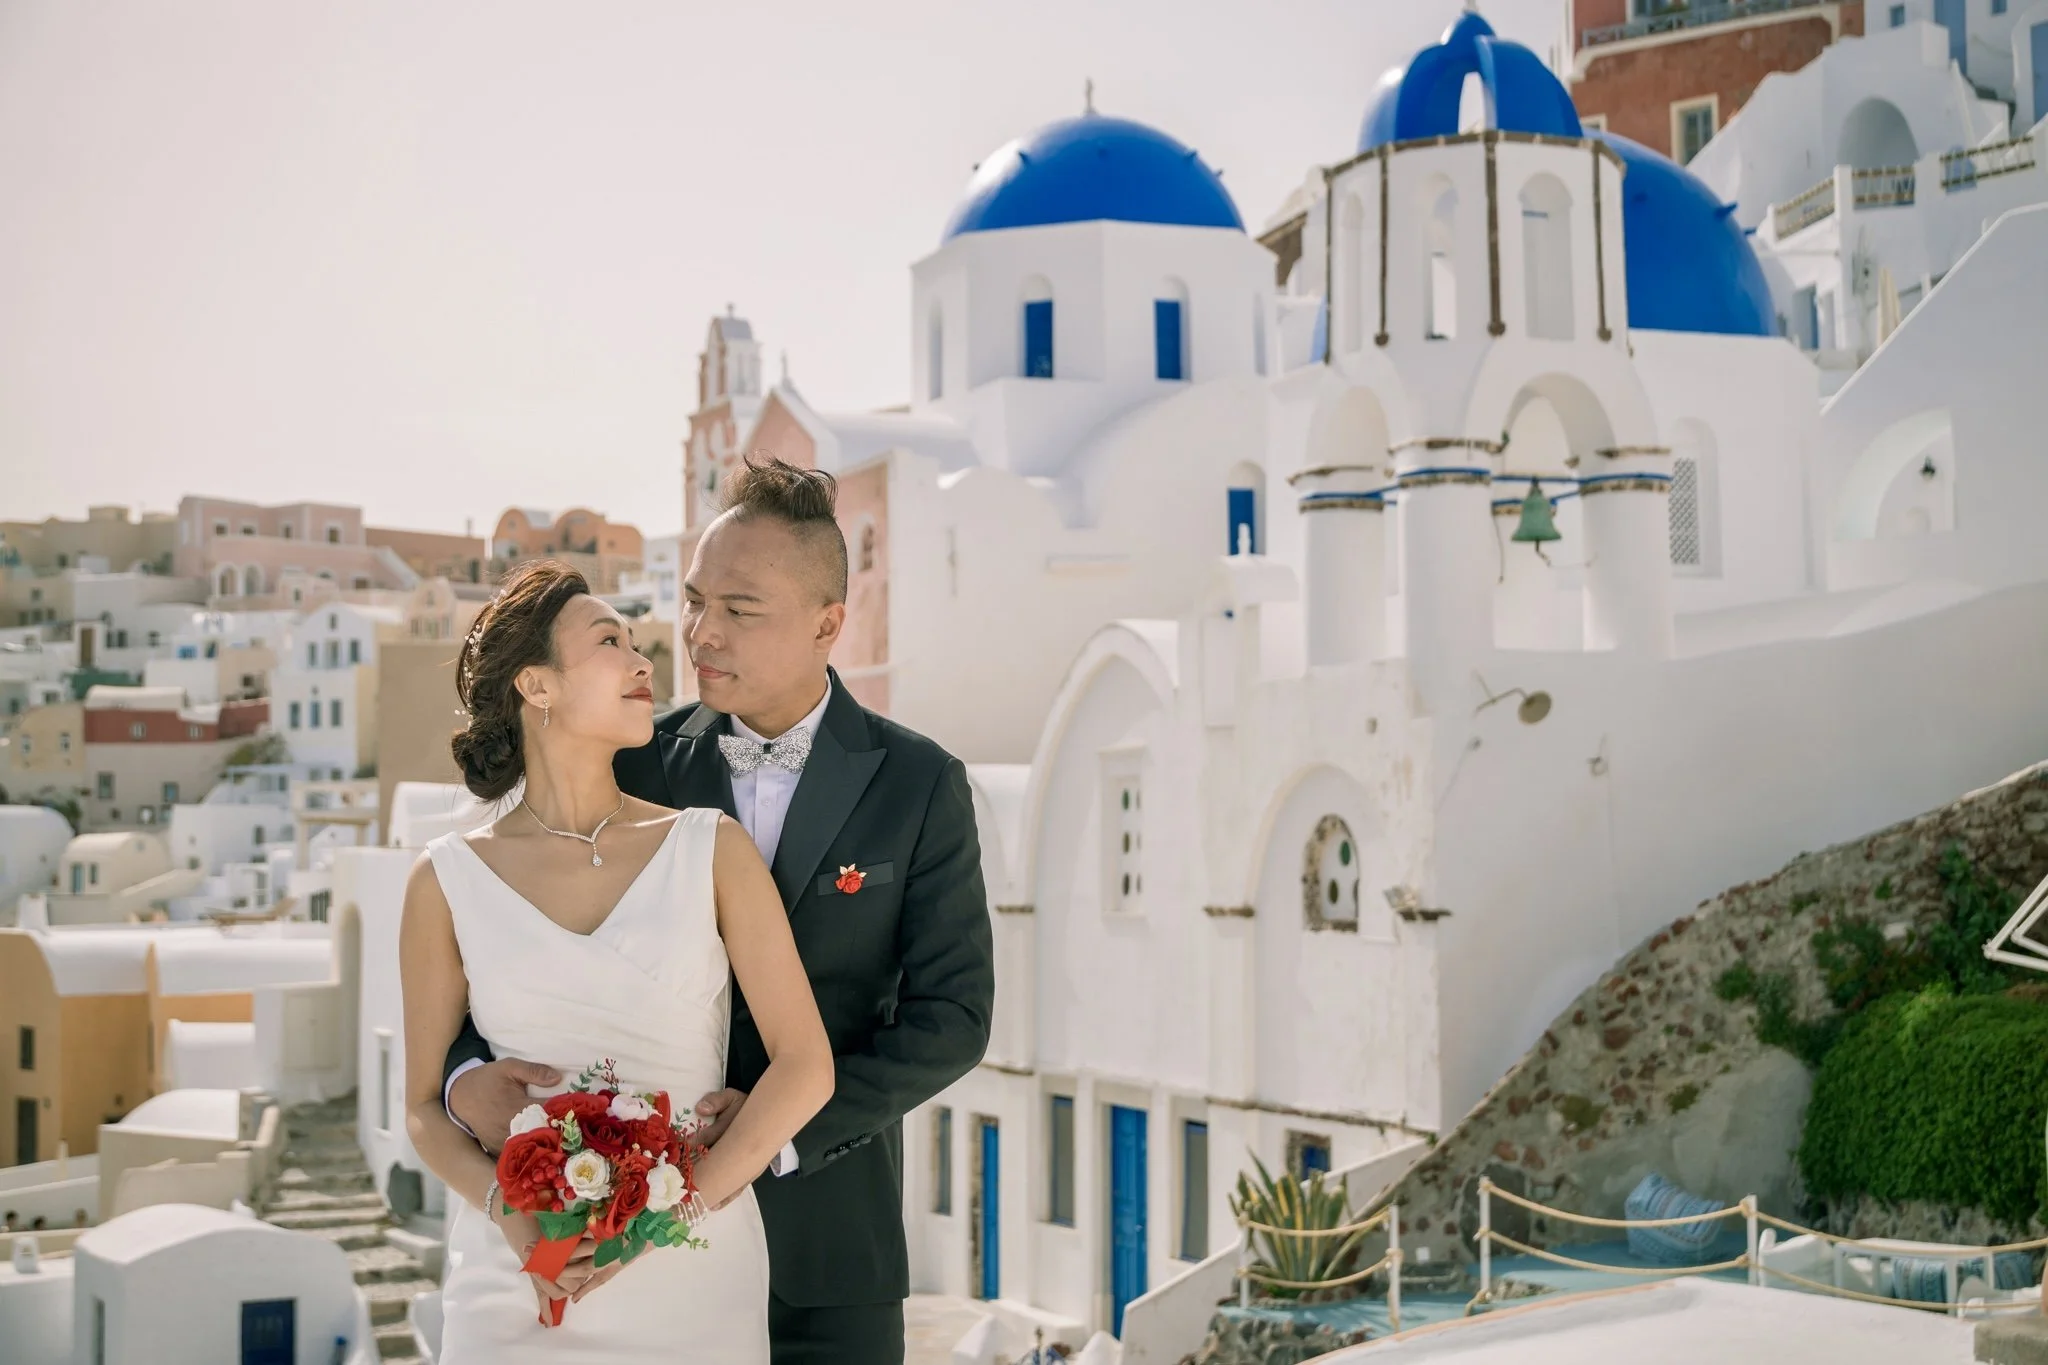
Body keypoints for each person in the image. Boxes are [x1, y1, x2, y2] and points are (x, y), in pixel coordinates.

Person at [443, 454, 995, 1364]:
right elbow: (496, 940)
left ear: (828, 623)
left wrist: (773, 1134)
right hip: (629, 1252)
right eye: (693, 600)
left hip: (831, 1255)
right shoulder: (627, 758)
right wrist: (468, 1083)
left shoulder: (920, 784)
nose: (700, 633)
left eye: (739, 610)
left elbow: (955, 1019)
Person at [401, 557, 836, 1362]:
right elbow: (425, 1109)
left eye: (639, 643)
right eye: (611, 642)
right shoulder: (443, 879)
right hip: (518, 1281)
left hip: (692, 1273)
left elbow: (806, 1066)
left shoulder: (712, 848)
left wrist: (667, 1217)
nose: (645, 662)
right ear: (538, 686)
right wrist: (514, 1219)